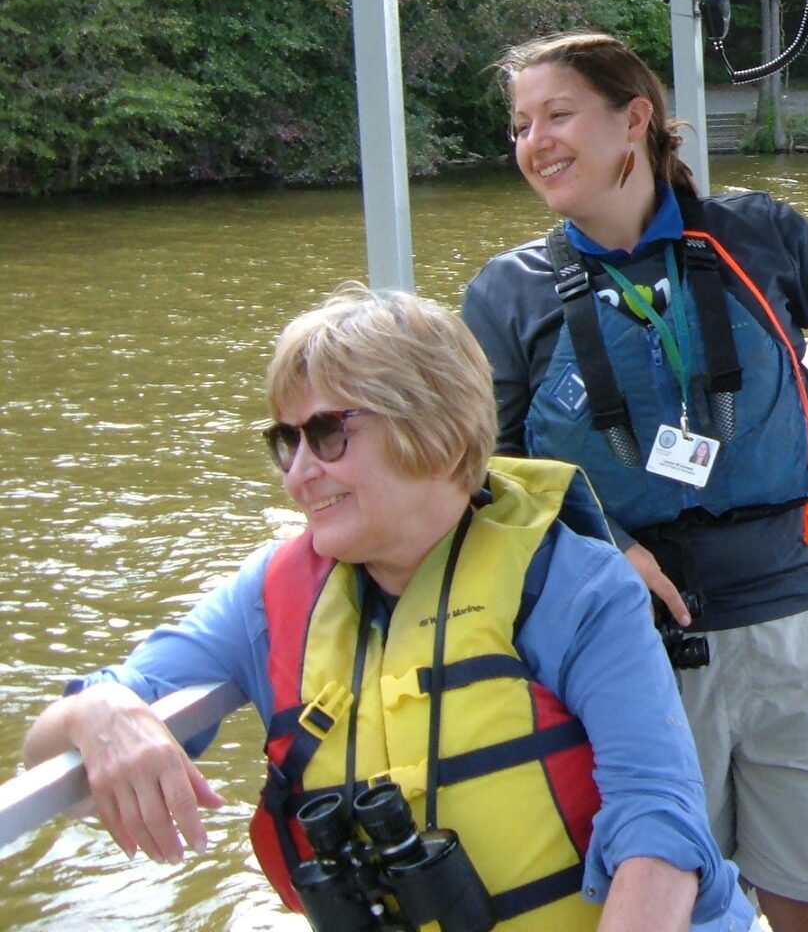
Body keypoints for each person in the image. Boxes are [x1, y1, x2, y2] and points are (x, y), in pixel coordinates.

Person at [23, 286, 751, 932]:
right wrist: (101, 711)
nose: (300, 474)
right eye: (286, 442)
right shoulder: (267, 600)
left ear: (432, 432)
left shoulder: (574, 586)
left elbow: (659, 829)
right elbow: (47, 753)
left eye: (328, 434)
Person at [461, 31, 808, 932]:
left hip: (799, 624)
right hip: (626, 654)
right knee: (667, 910)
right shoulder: (508, 294)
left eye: (558, 115)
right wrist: (603, 548)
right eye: (520, 126)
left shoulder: (754, 233)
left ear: (635, 118)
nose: (535, 143)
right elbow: (486, 468)